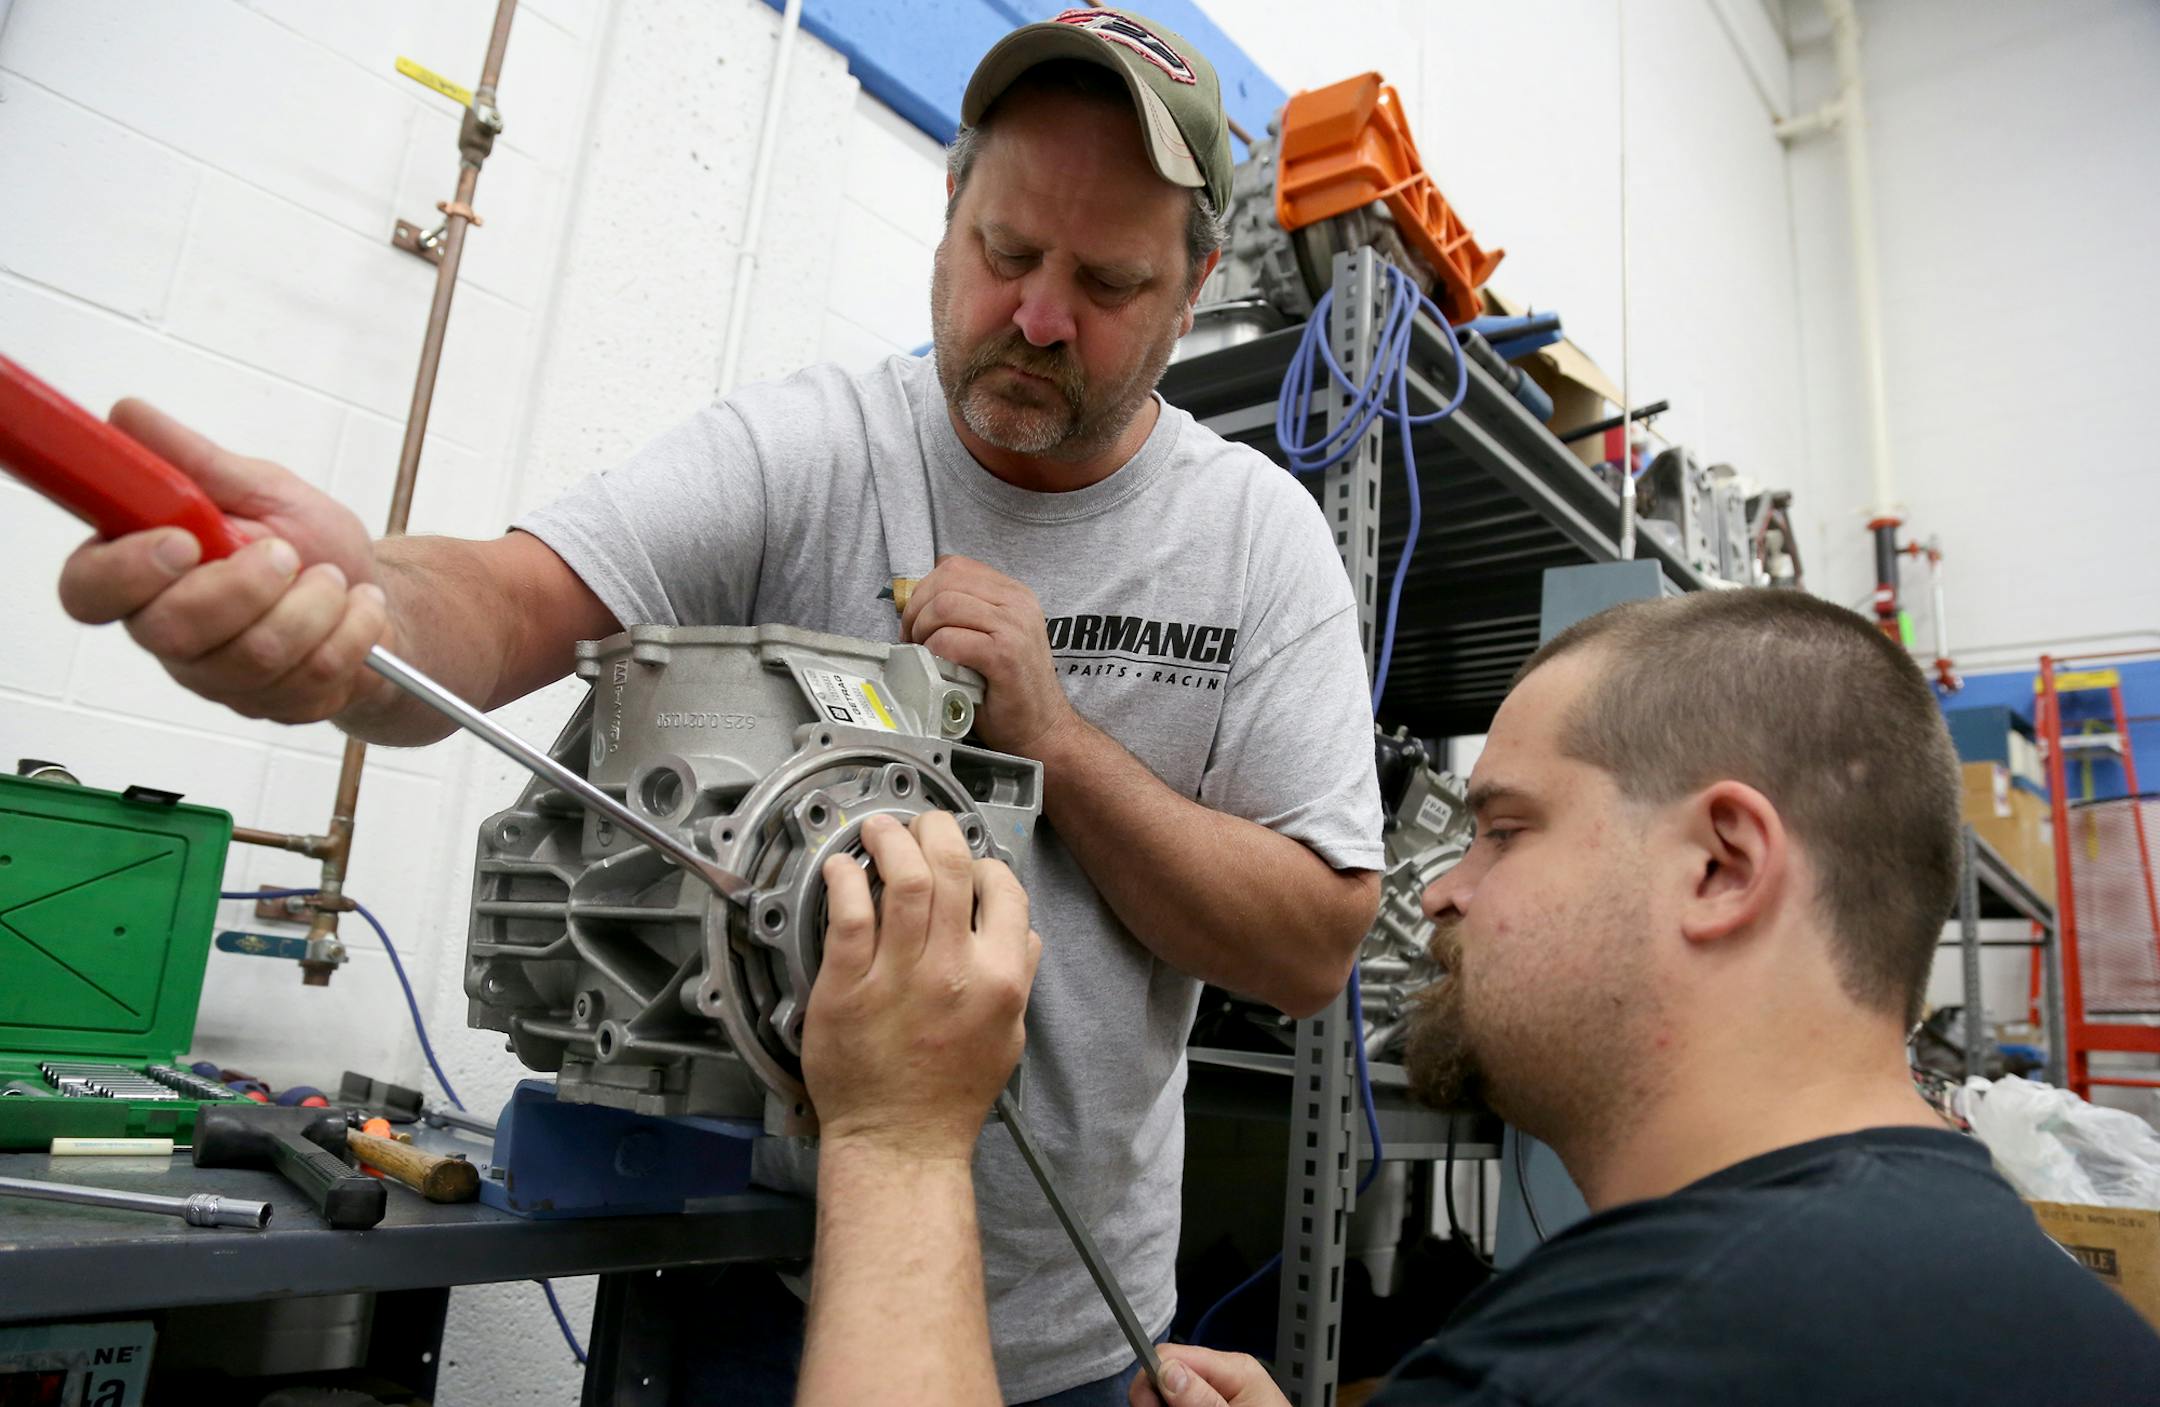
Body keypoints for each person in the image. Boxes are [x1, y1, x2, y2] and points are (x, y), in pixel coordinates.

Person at [51, 9, 1382, 1402]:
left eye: (1106, 283)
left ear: (1196, 287)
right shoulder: (811, 449)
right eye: (1007, 254)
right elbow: (505, 604)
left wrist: (1054, 746)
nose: (1040, 317)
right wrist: (354, 604)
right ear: (946, 214)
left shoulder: (1255, 543)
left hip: (1068, 1332)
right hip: (740, 1291)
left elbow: (1311, 949)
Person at [792, 590, 2160, 1407]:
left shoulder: (1596, 1362)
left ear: (1722, 865)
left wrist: (900, 1140)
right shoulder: (2065, 1311)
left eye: (1503, 829)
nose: (1444, 893)